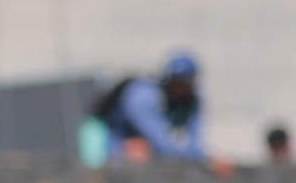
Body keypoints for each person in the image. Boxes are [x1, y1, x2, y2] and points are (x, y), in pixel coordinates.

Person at [87, 51, 231, 174]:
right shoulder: (142, 96)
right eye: (176, 84)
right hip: (99, 137)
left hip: (135, 145)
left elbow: (194, 145)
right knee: (135, 155)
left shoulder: (192, 100)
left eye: (185, 84)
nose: (180, 90)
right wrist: (205, 159)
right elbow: (163, 146)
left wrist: (206, 159)